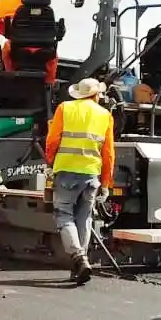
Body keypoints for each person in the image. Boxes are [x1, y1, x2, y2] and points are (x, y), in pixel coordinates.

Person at [44, 78, 116, 285]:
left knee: (64, 215)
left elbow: (52, 140)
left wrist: (50, 162)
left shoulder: (65, 108)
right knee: (84, 219)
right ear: (95, 95)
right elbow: (108, 153)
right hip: (91, 174)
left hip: (66, 172)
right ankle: (78, 268)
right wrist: (106, 183)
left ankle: (79, 257)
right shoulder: (105, 115)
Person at [0, 0, 59, 83]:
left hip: (17, 49)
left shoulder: (4, 1)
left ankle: (11, 80)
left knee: (6, 49)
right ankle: (49, 84)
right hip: (44, 51)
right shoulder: (46, 10)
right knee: (54, 55)